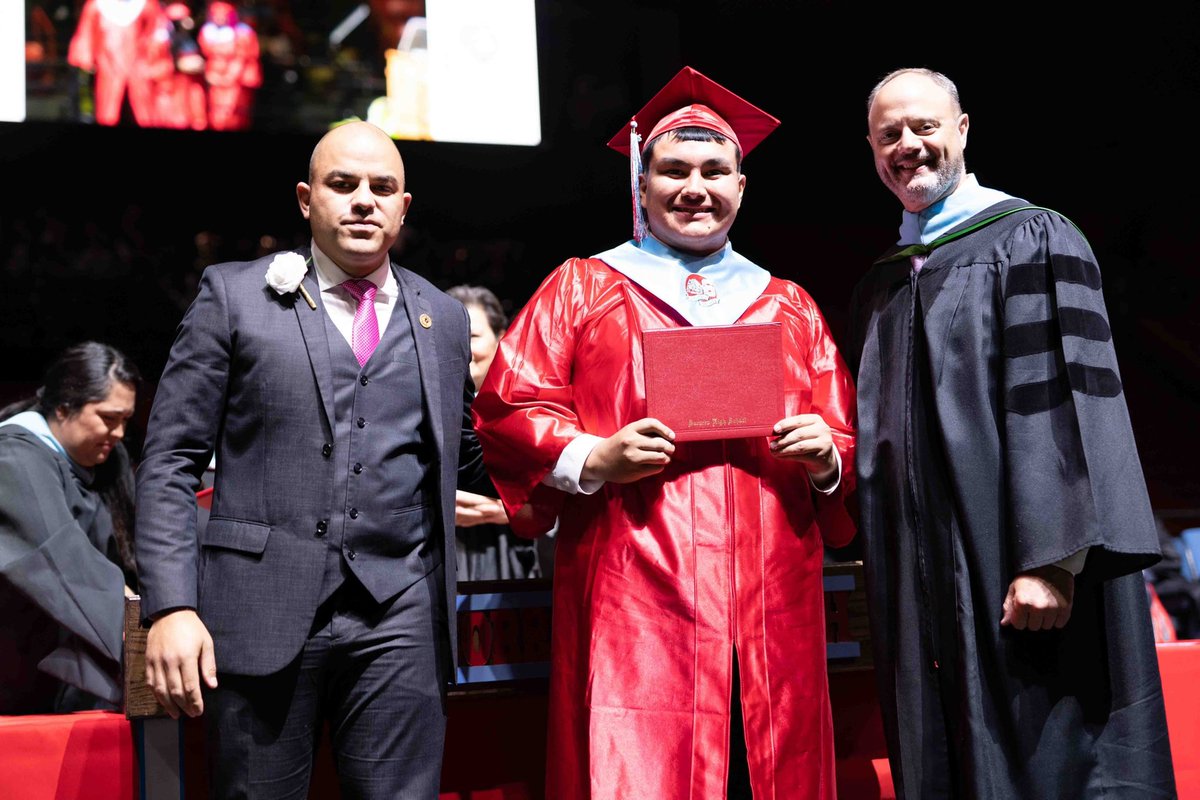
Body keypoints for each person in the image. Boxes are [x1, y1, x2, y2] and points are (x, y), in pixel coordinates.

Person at [471, 66, 857, 799]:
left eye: (715, 171)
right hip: (635, 595)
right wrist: (595, 456)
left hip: (770, 599)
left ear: (741, 187)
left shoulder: (790, 306)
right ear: (641, 187)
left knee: (764, 773)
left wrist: (826, 459)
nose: (695, 187)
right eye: (673, 170)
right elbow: (508, 407)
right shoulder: (584, 287)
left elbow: (845, 435)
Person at [135, 120, 489, 799]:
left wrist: (583, 456)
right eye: (342, 184)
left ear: (403, 207)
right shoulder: (234, 296)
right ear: (306, 200)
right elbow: (172, 459)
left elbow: (472, 451)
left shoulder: (442, 318)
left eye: (382, 188)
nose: (364, 200)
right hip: (259, 608)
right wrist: (171, 606)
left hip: (399, 613)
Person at [850, 67, 1177, 799]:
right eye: (890, 134)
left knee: (1049, 756)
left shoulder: (1032, 237)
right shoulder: (880, 285)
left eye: (924, 126)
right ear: (871, 148)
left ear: (962, 130)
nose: (908, 145)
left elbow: (1067, 400)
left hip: (1021, 568)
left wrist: (1053, 560)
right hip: (929, 579)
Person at [0, 341, 140, 714]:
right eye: (109, 418)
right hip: (24, 675)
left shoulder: (108, 460)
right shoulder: (15, 458)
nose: (120, 433)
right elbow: (61, 556)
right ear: (63, 408)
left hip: (83, 676)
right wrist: (139, 628)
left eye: (126, 420)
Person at [447, 283, 549, 581]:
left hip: (512, 555)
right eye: (451, 337)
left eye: (474, 336)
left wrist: (508, 510)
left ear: (501, 339)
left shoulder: (531, 405)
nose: (463, 348)